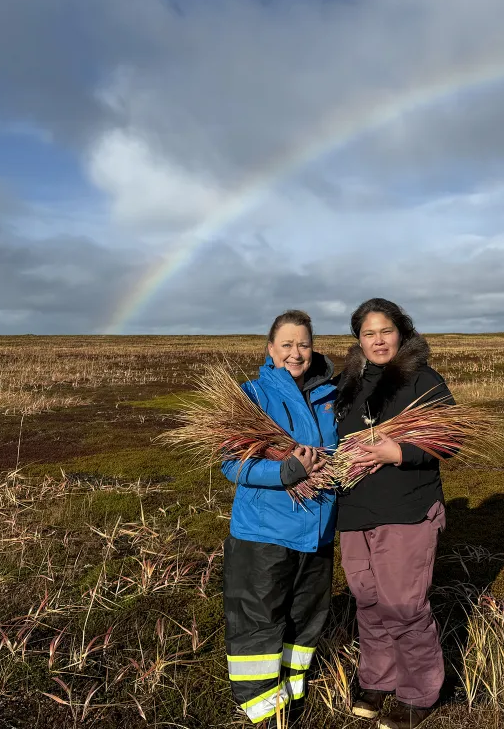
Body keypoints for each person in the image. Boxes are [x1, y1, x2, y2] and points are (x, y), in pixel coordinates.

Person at [334, 298, 454, 729]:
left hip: (406, 511)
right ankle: (377, 679)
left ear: (401, 332)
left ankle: (418, 693)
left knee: (403, 606)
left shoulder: (424, 380)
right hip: (355, 512)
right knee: (368, 602)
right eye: (368, 333)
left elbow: (449, 438)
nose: (378, 340)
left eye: (385, 330)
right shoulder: (346, 384)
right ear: (358, 340)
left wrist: (399, 451)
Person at [221, 310, 339, 725]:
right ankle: (262, 714)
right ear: (270, 349)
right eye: (286, 344)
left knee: (304, 623)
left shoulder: (333, 397)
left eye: (303, 344)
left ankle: (290, 697)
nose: (295, 352)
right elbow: (232, 465)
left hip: (318, 535)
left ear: (313, 347)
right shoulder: (251, 396)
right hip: (264, 535)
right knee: (259, 625)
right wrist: (285, 472)